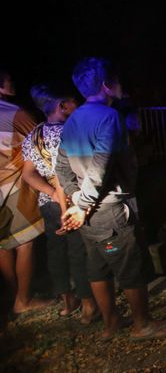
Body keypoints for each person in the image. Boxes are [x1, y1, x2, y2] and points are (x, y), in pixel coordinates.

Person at [56, 58, 166, 341]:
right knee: (130, 266)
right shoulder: (109, 117)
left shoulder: (73, 119)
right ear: (106, 85)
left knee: (97, 265)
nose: (121, 86)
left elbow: (61, 167)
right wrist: (84, 204)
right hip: (110, 209)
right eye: (118, 81)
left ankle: (111, 324)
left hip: (86, 212)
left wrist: (77, 202)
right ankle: (142, 324)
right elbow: (101, 166)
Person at [21, 85, 99, 323]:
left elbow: (28, 174)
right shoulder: (69, 132)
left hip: (48, 204)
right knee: (78, 252)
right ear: (62, 106)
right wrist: (62, 198)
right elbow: (63, 175)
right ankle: (88, 304)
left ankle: (67, 301)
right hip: (72, 202)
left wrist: (50, 193)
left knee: (56, 253)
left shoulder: (33, 135)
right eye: (72, 101)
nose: (77, 104)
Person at [1, 69, 52, 324]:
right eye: (9, 80)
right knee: (24, 242)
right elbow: (39, 138)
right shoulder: (13, 113)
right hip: (14, 187)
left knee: (3, 243)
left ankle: (14, 295)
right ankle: (24, 299)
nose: (13, 84)